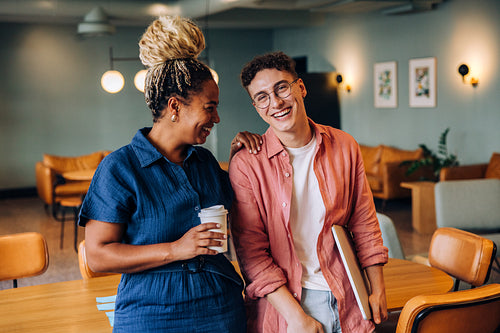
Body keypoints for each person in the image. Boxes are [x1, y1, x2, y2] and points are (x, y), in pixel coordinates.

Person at [79, 16, 260, 332]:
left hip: (220, 307)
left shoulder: (204, 162)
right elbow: (98, 256)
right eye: (209, 107)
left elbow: (239, 209)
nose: (217, 118)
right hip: (151, 313)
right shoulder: (120, 168)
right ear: (175, 106)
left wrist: (239, 159)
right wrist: (177, 249)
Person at [229, 51, 389, 333]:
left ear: (300, 88)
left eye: (281, 87)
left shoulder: (344, 145)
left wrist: (377, 289)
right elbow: (252, 254)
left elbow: (365, 223)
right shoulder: (246, 165)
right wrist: (297, 317)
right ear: (256, 106)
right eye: (262, 97)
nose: (276, 102)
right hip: (288, 305)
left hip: (350, 296)